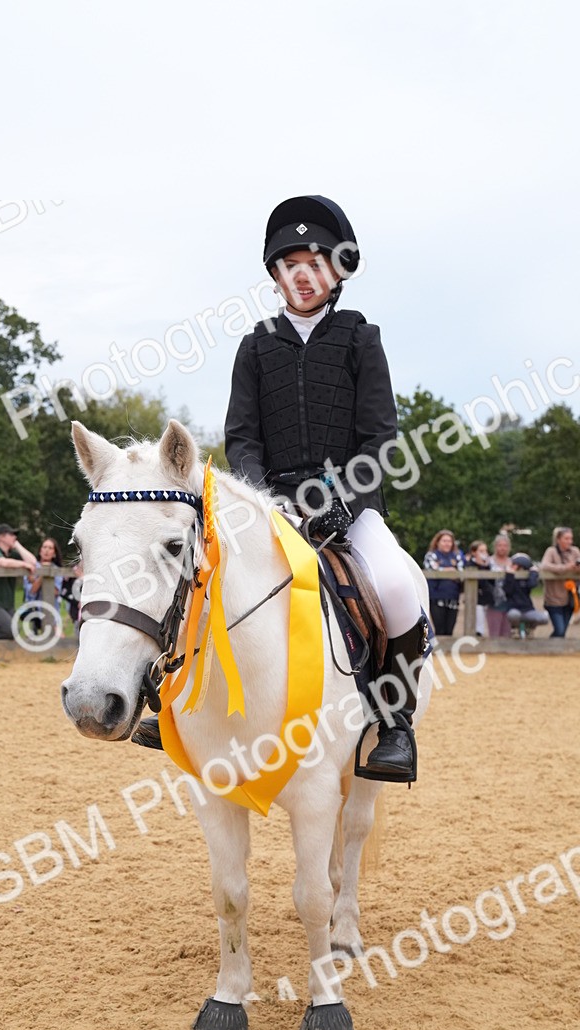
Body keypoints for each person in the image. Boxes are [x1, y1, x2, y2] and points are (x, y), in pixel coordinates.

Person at [219, 194, 427, 780]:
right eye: (289, 265)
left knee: (395, 588)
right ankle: (171, 701)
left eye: (314, 261)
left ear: (338, 270)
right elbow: (241, 439)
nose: (302, 274)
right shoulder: (255, 346)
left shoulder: (362, 340)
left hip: (349, 505)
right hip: (272, 505)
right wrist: (267, 501)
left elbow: (380, 438)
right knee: (201, 574)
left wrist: (344, 503)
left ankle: (394, 726)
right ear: (275, 276)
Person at [0, 524, 36, 641]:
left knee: (15, 631)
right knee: (10, 630)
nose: (15, 537)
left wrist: (17, 545)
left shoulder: (11, 554)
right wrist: (23, 564)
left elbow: (33, 561)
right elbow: (3, 563)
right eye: (11, 534)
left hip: (6, 603)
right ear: (1, 537)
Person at [540, 527, 580, 637]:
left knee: (562, 632)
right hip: (554, 599)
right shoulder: (551, 551)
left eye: (571, 539)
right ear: (558, 539)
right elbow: (545, 565)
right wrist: (566, 568)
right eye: (566, 539)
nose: (569, 542)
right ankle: (549, 648)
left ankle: (553, 651)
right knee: (560, 630)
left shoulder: (575, 551)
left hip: (571, 598)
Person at [423, 530, 463, 636]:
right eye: (444, 541)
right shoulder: (431, 555)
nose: (447, 543)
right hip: (436, 597)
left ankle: (449, 652)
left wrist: (445, 571)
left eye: (449, 541)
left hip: (453, 597)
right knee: (439, 629)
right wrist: (450, 570)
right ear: (437, 542)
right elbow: (431, 568)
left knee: (449, 630)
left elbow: (461, 573)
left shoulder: (456, 556)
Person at [503, 553, 549, 635]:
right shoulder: (509, 576)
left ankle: (529, 627)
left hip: (527, 609)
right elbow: (508, 591)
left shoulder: (526, 578)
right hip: (514, 609)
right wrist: (510, 575)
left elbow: (532, 584)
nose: (515, 567)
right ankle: (515, 628)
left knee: (544, 618)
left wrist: (533, 572)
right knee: (514, 615)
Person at [486, 533, 513, 638]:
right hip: (494, 600)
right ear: (495, 546)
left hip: (509, 600)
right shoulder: (489, 561)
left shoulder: (512, 562)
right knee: (494, 631)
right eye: (500, 545)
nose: (502, 548)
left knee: (507, 632)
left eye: (505, 545)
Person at [464, 540, 494, 636]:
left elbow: (492, 582)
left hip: (488, 599)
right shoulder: (470, 565)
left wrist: (485, 565)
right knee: (478, 626)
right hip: (476, 600)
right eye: (481, 551)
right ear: (474, 552)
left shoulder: (488, 566)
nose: (484, 553)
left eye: (485, 551)